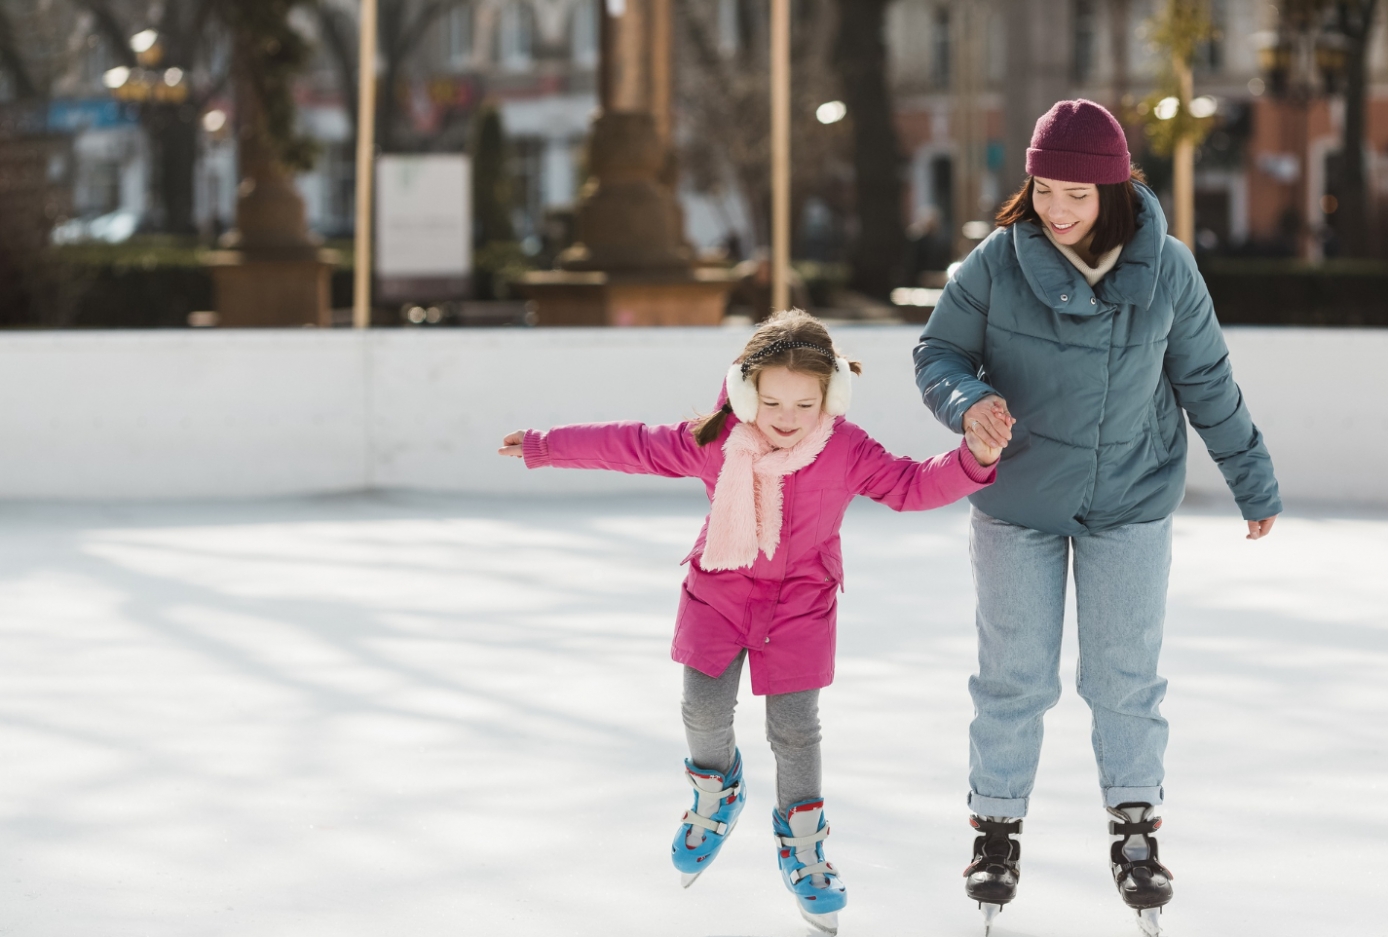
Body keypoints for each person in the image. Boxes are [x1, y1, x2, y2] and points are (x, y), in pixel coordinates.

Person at [499, 310, 998, 935]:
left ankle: (805, 846)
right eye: (771, 401)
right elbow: (632, 445)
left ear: (830, 397)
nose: (787, 418)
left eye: (804, 403)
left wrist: (974, 458)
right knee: (703, 710)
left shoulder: (846, 448)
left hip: (801, 603)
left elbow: (910, 486)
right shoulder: (715, 439)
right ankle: (717, 794)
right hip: (719, 590)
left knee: (795, 729)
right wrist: (547, 446)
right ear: (745, 392)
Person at [914, 100, 1281, 937]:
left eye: (1076, 194)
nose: (1058, 209)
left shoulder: (1171, 268)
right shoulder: (997, 263)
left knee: (1124, 677)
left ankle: (1136, 827)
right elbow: (937, 353)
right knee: (1014, 677)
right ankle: (997, 827)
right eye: (1044, 190)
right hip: (1017, 501)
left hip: (1131, 497)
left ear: (1114, 189)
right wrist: (968, 401)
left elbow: (1208, 383)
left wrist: (1251, 480)